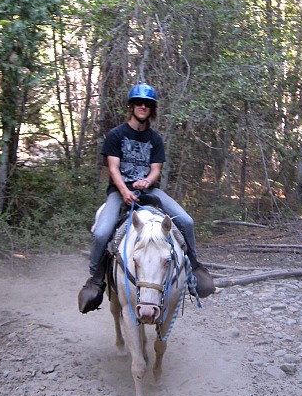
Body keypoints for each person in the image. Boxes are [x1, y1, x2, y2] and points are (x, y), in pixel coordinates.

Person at [78, 82, 215, 314]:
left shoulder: (155, 139)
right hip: (120, 192)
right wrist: (124, 191)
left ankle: (194, 268)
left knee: (186, 221)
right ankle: (96, 279)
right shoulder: (116, 135)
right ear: (131, 106)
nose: (143, 107)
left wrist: (147, 182)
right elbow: (113, 168)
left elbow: (156, 169)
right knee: (102, 232)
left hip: (149, 191)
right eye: (139, 103)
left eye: (148, 104)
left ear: (152, 109)